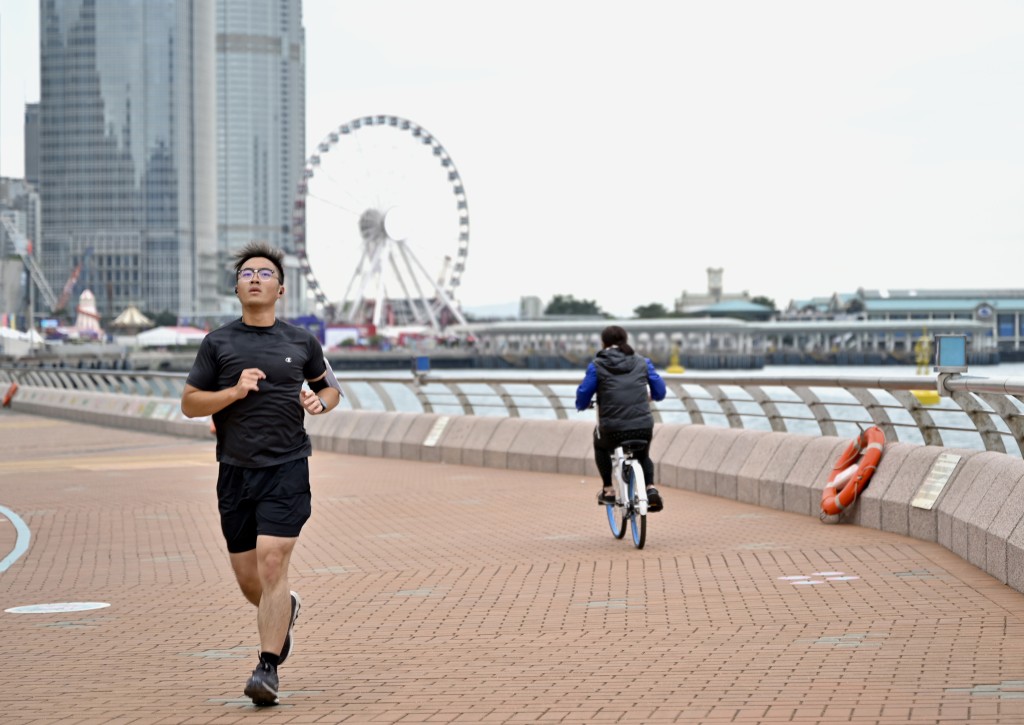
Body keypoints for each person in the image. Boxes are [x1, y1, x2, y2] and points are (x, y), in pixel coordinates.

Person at [181, 241, 341, 706]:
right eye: (247, 273)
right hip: (234, 472)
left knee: (274, 563)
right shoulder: (218, 343)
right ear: (236, 287)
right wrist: (232, 392)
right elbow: (190, 403)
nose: (255, 278)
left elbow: (330, 390)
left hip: (287, 467)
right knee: (251, 581)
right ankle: (284, 610)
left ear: (281, 289)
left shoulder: (301, 342)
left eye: (265, 273)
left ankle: (267, 668)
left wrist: (318, 402)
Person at [575, 325, 667, 512]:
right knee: (643, 455)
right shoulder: (643, 362)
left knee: (600, 444)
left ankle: (608, 490)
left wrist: (582, 405)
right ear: (625, 341)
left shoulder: (597, 365)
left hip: (612, 430)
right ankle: (650, 489)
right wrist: (653, 396)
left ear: (604, 343)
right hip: (642, 426)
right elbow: (660, 391)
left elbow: (584, 394)